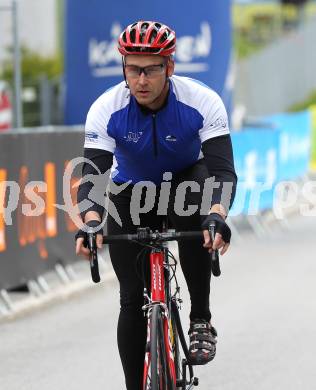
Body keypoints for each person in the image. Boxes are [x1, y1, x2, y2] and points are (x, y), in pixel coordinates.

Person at [75, 20, 237, 390]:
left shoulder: (202, 101)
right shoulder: (106, 108)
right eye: (133, 69)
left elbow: (222, 169)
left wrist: (216, 215)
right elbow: (93, 176)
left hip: (185, 177)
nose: (141, 80)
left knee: (195, 213)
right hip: (130, 189)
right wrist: (91, 219)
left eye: (151, 69)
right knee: (132, 299)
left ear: (170, 67)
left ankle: (200, 318)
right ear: (124, 69)